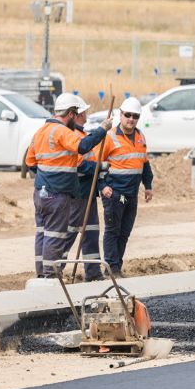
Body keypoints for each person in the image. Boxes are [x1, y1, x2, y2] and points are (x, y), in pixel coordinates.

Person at [25, 93, 111, 277]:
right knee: (55, 236)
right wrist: (103, 129)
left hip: (40, 193)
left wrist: (46, 176)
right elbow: (82, 146)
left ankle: (41, 274)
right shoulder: (62, 131)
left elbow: (30, 163)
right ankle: (50, 276)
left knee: (43, 234)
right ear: (71, 113)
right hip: (57, 194)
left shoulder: (40, 132)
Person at [99, 98, 153, 277]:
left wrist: (148, 186)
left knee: (124, 232)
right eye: (127, 115)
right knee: (113, 230)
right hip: (115, 194)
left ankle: (116, 266)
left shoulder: (140, 137)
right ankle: (111, 269)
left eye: (135, 116)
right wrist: (102, 185)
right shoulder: (110, 137)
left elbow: (144, 164)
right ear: (120, 115)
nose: (131, 119)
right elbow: (97, 164)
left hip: (131, 194)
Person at [61, 96, 105, 281]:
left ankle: (93, 273)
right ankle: (54, 269)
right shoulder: (74, 137)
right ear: (77, 114)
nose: (87, 113)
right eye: (84, 111)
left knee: (92, 232)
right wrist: (100, 167)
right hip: (78, 193)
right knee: (70, 232)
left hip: (89, 192)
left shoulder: (83, 135)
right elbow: (79, 165)